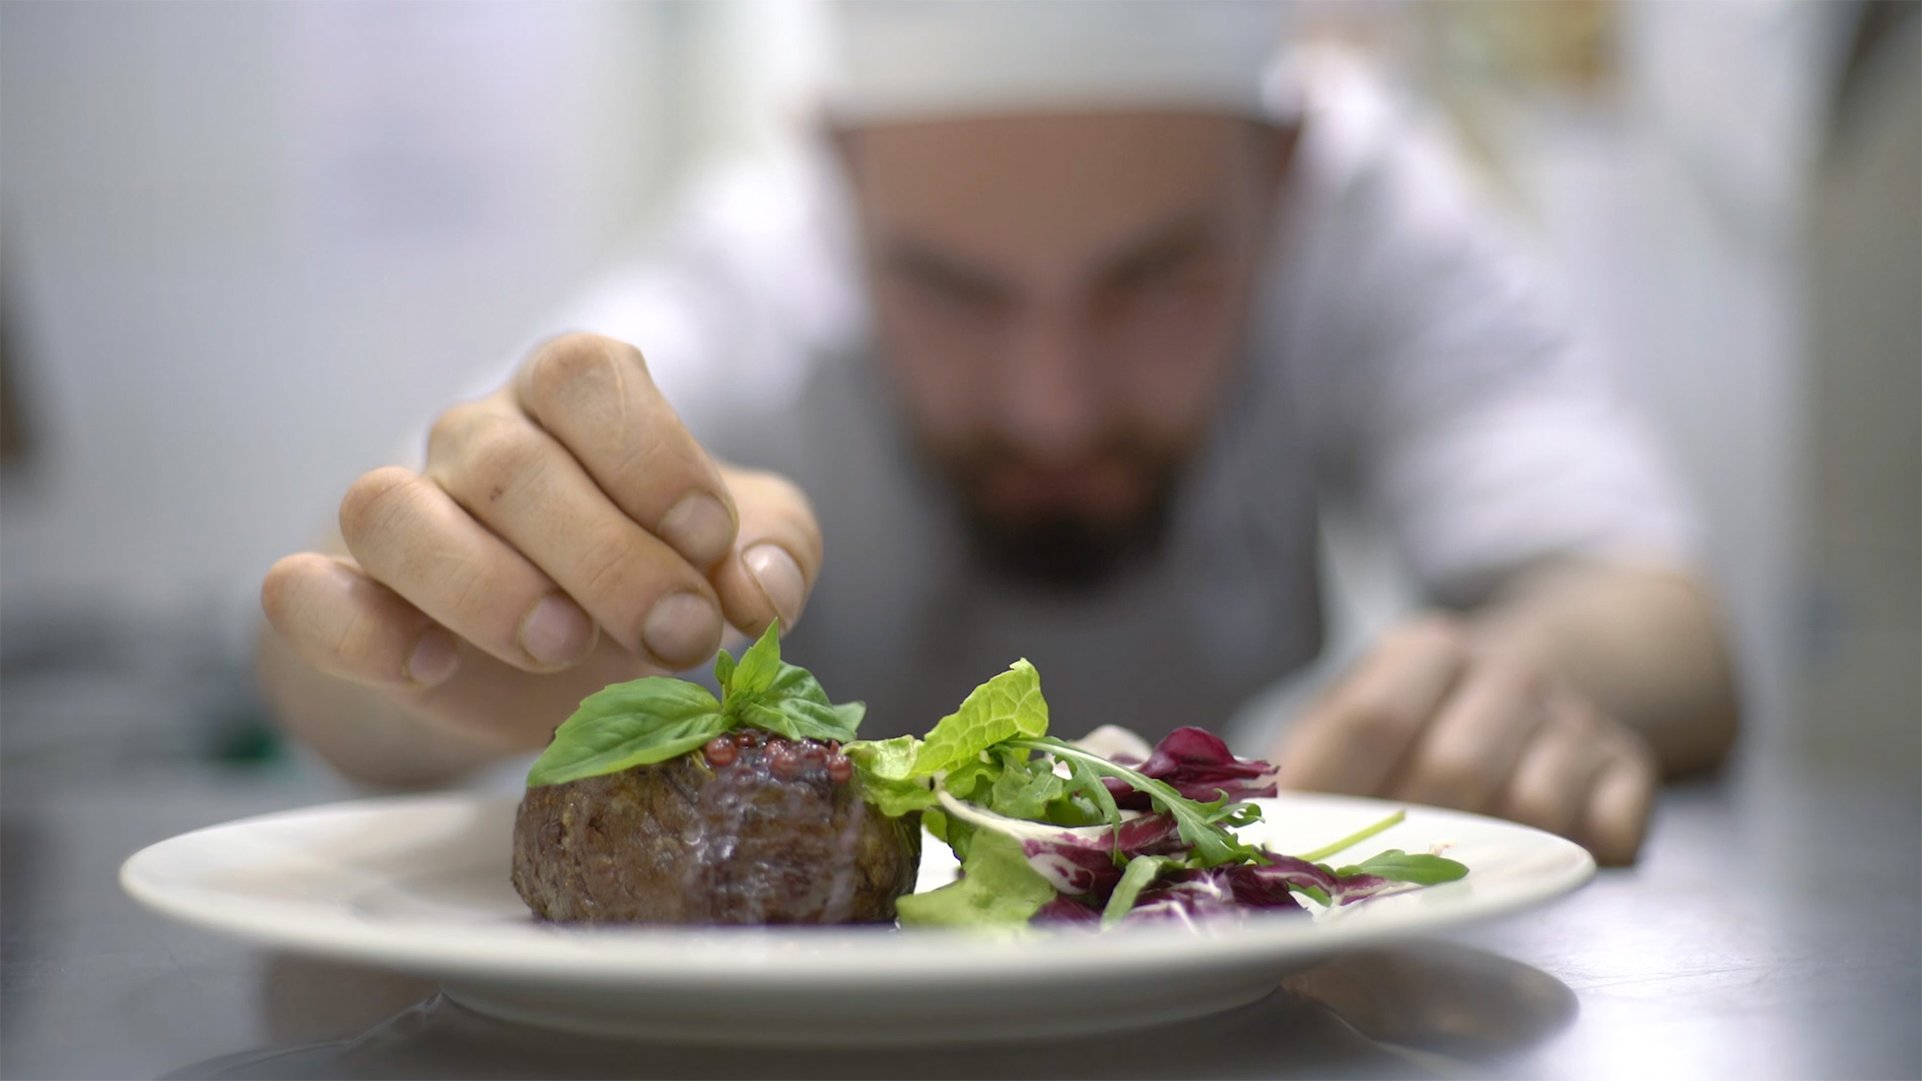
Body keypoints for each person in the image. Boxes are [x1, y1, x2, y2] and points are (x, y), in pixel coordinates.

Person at [257, 3, 1738, 865]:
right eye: (954, 291)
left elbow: (1658, 620)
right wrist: (460, 642)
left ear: (1281, 174)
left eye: (1154, 280)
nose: (1053, 402)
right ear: (842, 179)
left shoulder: (1365, 215)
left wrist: (1512, 687)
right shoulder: (755, 277)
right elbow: (328, 648)